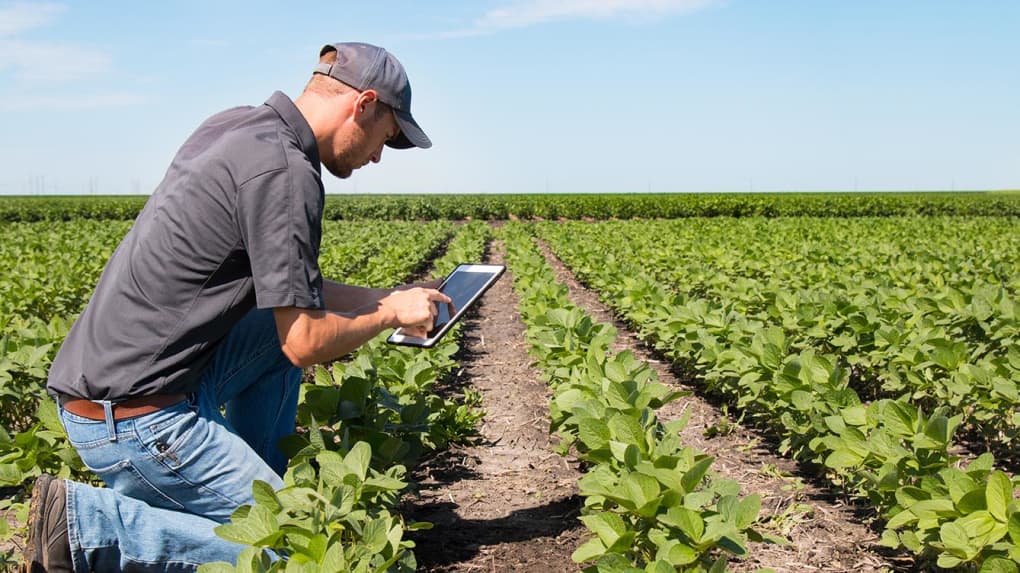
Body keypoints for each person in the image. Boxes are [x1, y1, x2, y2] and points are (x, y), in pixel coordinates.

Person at [23, 42, 450, 572]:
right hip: (137, 420)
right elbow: (306, 342)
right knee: (300, 547)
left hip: (114, 386)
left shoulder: (235, 128)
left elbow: (293, 296)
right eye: (384, 138)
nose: (378, 156)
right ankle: (85, 526)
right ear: (362, 104)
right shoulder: (288, 174)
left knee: (272, 331)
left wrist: (386, 298)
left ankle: (254, 484)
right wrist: (389, 316)